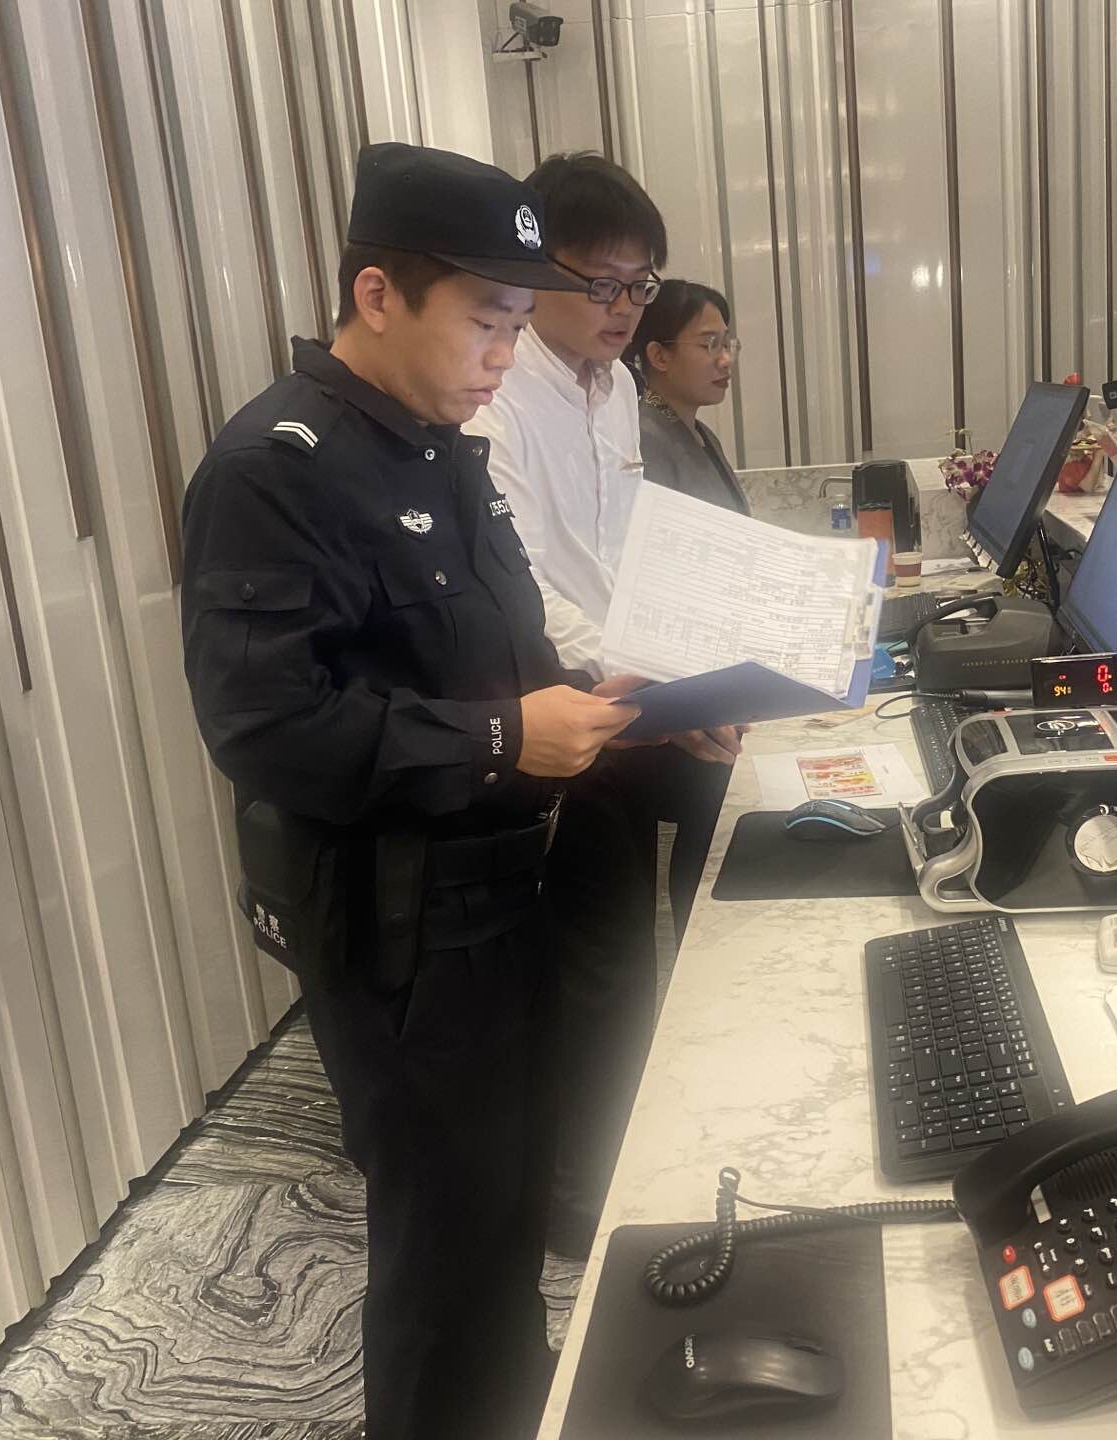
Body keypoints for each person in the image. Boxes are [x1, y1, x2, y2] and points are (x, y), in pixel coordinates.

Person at [180, 143, 642, 1440]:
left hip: (505, 896)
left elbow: (504, 644)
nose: (505, 354)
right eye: (486, 320)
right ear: (378, 296)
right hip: (401, 928)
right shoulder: (278, 469)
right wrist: (501, 739)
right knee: (443, 1243)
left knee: (505, 1215)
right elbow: (264, 723)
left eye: (518, 323)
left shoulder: (440, 446)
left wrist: (619, 698)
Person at [465, 154, 739, 1325]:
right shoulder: (499, 398)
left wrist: (694, 664)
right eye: (602, 284)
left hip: (626, 696)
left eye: (642, 285)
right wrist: (647, 676)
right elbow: (525, 587)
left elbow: (632, 554)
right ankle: (576, 1221)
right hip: (555, 713)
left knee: (647, 952)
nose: (625, 308)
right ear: (538, 271)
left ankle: (632, 1160)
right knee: (598, 973)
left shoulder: (616, 387)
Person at [631, 280, 749, 514]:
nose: (726, 360)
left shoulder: (702, 433)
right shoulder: (644, 443)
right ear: (659, 356)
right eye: (709, 345)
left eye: (726, 344)